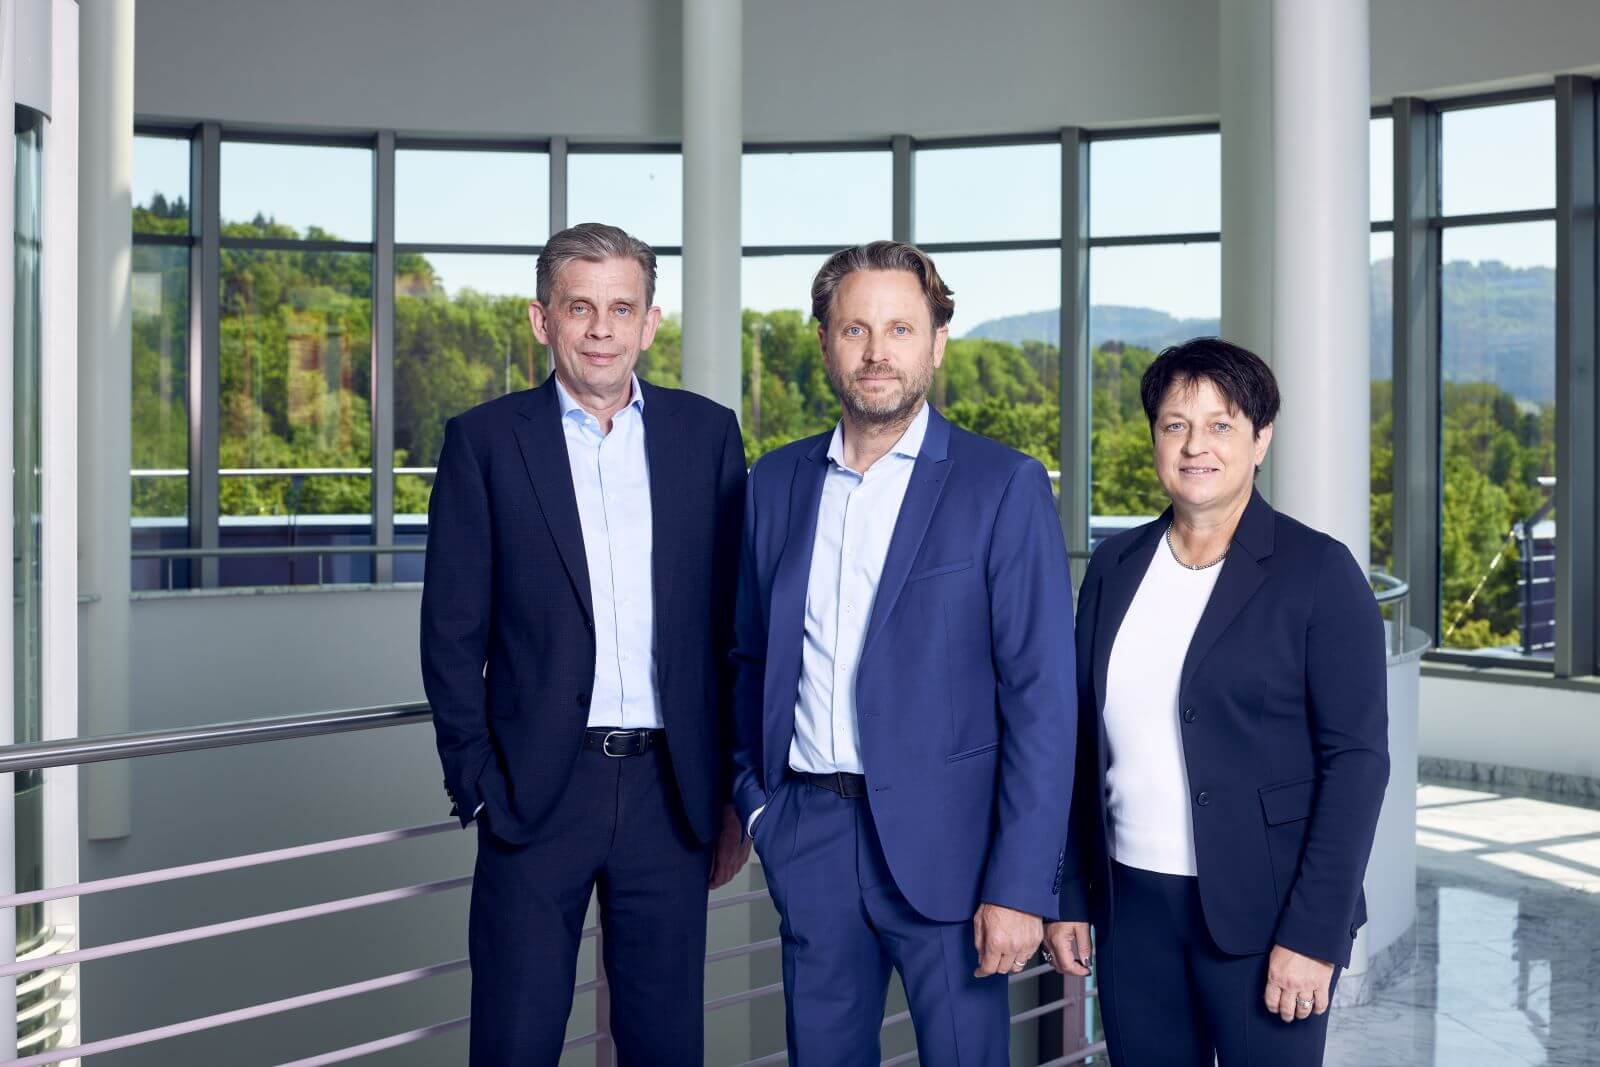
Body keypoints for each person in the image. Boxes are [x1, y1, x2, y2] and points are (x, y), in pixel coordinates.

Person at [730, 240, 1076, 1066]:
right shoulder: (774, 483)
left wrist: (1020, 883)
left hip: (956, 861)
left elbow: (1042, 698)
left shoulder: (1002, 484)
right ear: (825, 342)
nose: (877, 351)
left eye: (900, 329)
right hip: (809, 838)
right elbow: (746, 657)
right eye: (855, 329)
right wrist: (759, 808)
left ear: (937, 342)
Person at [420, 222, 750, 1066]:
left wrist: (727, 789)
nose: (602, 328)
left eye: (621, 308)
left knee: (665, 1044)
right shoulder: (485, 442)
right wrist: (478, 784)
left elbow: (731, 626)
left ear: (650, 322)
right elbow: (451, 631)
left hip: (670, 796)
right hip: (534, 793)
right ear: (543, 320)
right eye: (580, 307)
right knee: (516, 1040)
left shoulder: (707, 436)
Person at [1046, 338, 1390, 1066]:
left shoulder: (1317, 571)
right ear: (1154, 438)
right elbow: (1078, 745)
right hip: (1132, 912)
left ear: (1261, 439)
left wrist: (1313, 935)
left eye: (1220, 425)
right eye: (1175, 424)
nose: (1195, 445)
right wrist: (1069, 892)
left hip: (1269, 920)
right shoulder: (1114, 566)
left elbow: (1357, 764)